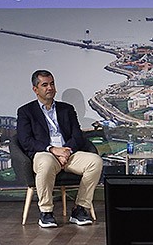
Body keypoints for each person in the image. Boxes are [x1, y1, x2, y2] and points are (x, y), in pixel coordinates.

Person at [16, 69, 103, 228]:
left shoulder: (67, 109)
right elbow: (25, 141)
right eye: (45, 85)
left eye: (52, 84)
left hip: (68, 154)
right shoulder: (26, 112)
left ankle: (80, 209)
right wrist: (52, 149)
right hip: (44, 154)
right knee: (46, 162)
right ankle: (46, 212)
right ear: (36, 89)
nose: (50, 88)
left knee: (95, 161)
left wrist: (67, 150)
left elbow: (77, 135)